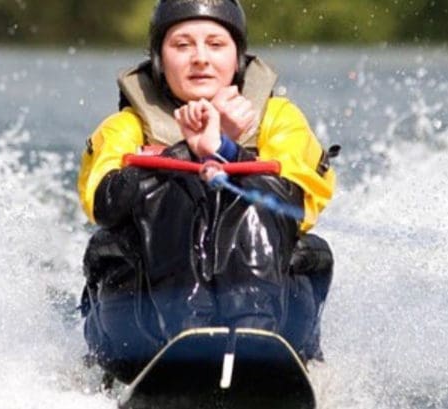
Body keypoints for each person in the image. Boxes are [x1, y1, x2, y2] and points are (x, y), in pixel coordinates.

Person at [77, 0, 337, 384]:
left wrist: (228, 150)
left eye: (215, 44)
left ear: (238, 59)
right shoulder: (125, 126)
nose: (200, 58)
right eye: (182, 46)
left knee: (275, 212)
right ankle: (185, 337)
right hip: (143, 326)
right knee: (169, 192)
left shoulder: (281, 119)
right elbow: (106, 204)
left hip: (276, 313)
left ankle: (256, 339)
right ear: (160, 60)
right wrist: (185, 151)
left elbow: (297, 205)